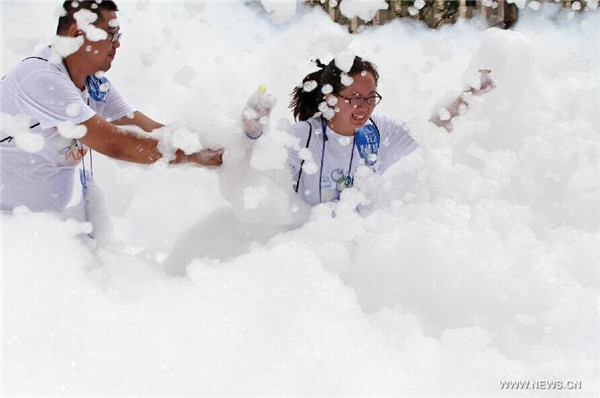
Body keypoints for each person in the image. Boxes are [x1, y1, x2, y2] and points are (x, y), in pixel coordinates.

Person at [0, 0, 223, 214]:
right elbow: (116, 144)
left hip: (36, 229)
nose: (118, 43)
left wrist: (221, 147)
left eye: (119, 35)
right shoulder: (42, 77)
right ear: (78, 34)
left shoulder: (95, 85)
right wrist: (194, 156)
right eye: (112, 34)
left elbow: (153, 130)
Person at [242, 56, 494, 206]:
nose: (363, 106)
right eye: (353, 97)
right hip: (308, 250)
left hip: (361, 252)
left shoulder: (378, 130)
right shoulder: (304, 137)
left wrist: (469, 94)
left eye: (370, 97)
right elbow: (256, 162)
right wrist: (253, 131)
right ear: (330, 97)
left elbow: (431, 130)